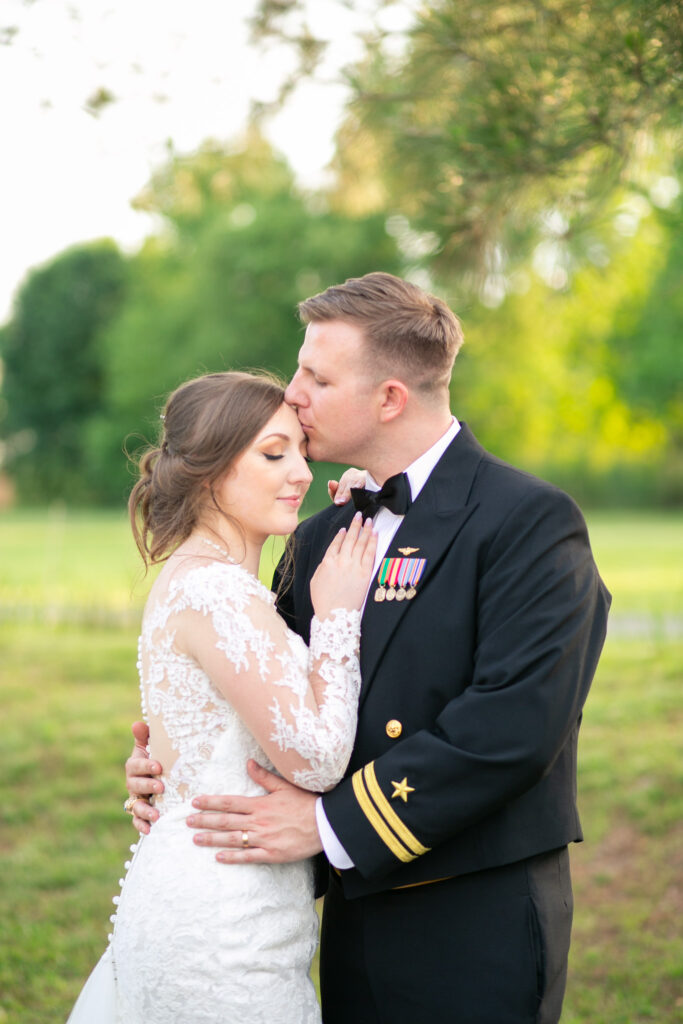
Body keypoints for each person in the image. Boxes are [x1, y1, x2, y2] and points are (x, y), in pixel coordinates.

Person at [126, 273, 611, 1024]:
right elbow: (270, 695)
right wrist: (174, 765)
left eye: (317, 377)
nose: (293, 393)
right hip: (345, 920)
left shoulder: (527, 522)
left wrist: (331, 826)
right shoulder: (316, 536)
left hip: (468, 918)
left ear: (388, 399)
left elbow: (515, 727)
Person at [67, 370, 377, 1024]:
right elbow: (317, 760)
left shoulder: (196, 578)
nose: (298, 472)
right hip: (221, 922)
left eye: (301, 451)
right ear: (209, 471)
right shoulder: (217, 592)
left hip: (214, 887)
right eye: (273, 453)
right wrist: (338, 617)